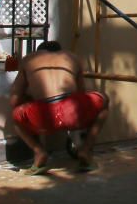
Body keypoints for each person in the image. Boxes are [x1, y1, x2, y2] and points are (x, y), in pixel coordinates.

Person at [9, 41, 109, 174]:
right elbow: (80, 92)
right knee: (104, 100)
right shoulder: (72, 57)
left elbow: (14, 100)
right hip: (72, 111)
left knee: (16, 116)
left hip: (42, 115)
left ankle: (39, 152)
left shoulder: (29, 59)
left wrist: (29, 99)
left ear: (40, 51)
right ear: (60, 51)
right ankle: (86, 149)